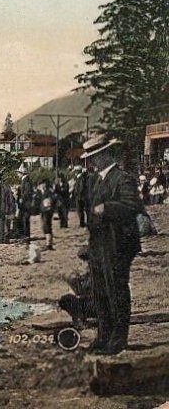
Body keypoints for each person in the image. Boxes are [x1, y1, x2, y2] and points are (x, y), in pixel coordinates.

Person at [82, 134, 141, 355]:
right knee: (100, 291)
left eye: (95, 157)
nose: (92, 162)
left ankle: (118, 339)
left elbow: (131, 206)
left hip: (118, 244)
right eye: (90, 158)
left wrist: (106, 208)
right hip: (99, 244)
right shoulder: (96, 180)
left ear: (107, 154)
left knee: (116, 289)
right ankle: (103, 335)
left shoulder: (123, 178)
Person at [34, 178, 57, 250]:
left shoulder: (49, 191)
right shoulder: (40, 192)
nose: (41, 186)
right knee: (44, 226)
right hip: (43, 211)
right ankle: (48, 243)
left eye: (41, 184)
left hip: (48, 211)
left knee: (47, 226)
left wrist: (50, 205)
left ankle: (49, 244)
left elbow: (54, 199)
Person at [15, 164, 34, 240]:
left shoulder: (26, 181)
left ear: (22, 173)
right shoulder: (24, 180)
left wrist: (21, 198)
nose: (17, 174)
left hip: (26, 204)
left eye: (18, 173)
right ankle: (24, 234)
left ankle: (26, 235)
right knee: (22, 219)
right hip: (24, 203)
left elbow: (27, 192)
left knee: (25, 219)